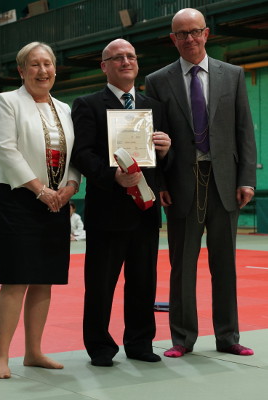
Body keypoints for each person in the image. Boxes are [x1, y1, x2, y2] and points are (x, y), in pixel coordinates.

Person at [145, 8, 257, 357]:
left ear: (206, 33)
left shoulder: (234, 75)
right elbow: (152, 138)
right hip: (181, 183)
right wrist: (159, 182)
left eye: (195, 32)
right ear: (172, 39)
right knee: (182, 267)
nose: (190, 39)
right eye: (182, 34)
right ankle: (182, 338)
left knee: (224, 264)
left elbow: (244, 132)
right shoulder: (158, 81)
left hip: (225, 182)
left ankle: (228, 336)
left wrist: (248, 180)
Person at [71, 38, 171, 366]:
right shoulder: (87, 104)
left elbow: (164, 162)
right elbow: (82, 154)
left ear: (137, 63)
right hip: (107, 210)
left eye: (130, 56)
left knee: (144, 281)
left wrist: (166, 150)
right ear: (105, 66)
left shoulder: (153, 106)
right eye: (117, 58)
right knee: (100, 284)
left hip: (145, 208)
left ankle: (140, 343)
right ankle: (100, 346)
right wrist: (112, 176)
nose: (125, 61)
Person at [0, 41, 80, 378]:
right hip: (18, 199)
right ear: (22, 70)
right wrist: (39, 189)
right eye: (35, 65)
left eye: (48, 64)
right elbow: (6, 150)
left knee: (45, 280)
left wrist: (71, 186)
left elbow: (75, 154)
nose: (43, 71)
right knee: (16, 279)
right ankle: (1, 357)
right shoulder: (7, 102)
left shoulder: (66, 109)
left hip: (57, 200)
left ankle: (34, 351)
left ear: (56, 68)